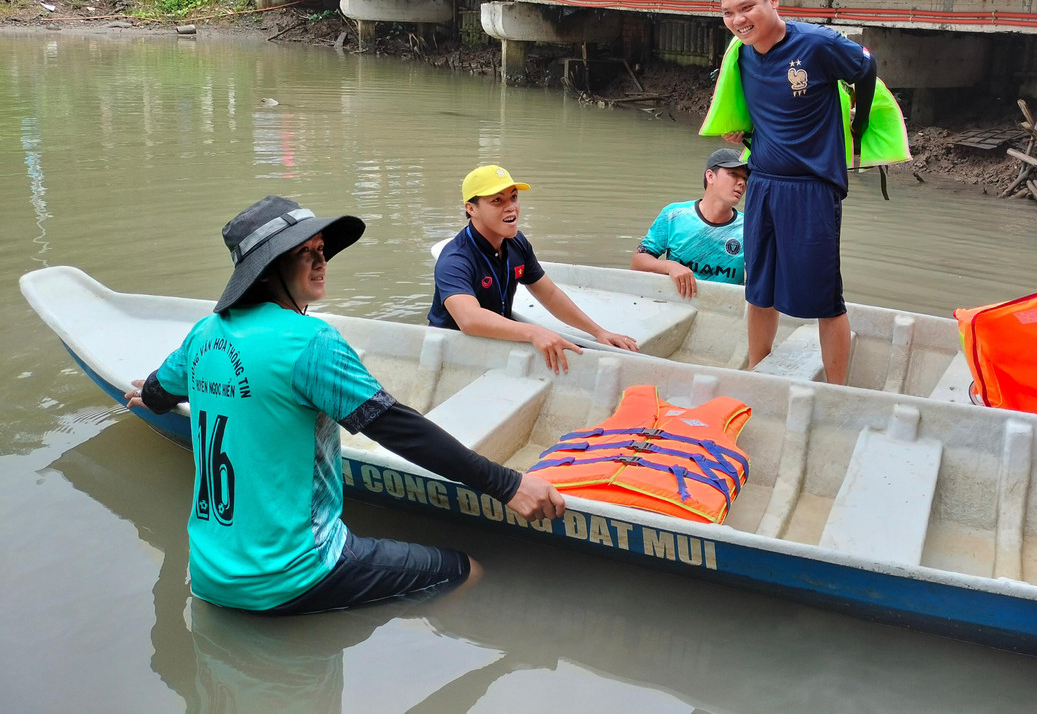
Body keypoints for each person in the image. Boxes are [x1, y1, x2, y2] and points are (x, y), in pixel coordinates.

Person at [124, 195, 564, 614]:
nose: (320, 261)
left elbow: (160, 394)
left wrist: (146, 397)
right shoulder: (309, 342)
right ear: (266, 270)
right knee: (467, 570)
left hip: (207, 576)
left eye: (321, 250)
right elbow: (397, 428)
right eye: (303, 253)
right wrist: (508, 486)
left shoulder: (203, 334)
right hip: (295, 576)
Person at [701, 0, 905, 385]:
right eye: (728, 13)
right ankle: (759, 371)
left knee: (826, 300)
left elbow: (867, 67)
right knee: (758, 290)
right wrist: (743, 129)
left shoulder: (816, 44)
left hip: (812, 188)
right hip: (762, 183)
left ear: (772, 0)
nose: (738, 20)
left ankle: (837, 389)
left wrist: (859, 120)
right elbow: (758, 108)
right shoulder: (741, 54)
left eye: (747, 7)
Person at [429, 166, 640, 372]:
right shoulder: (455, 260)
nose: (511, 206)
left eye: (513, 197)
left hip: (498, 340)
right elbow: (470, 320)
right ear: (471, 208)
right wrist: (534, 332)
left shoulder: (516, 243)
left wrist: (598, 332)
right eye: (497, 200)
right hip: (452, 352)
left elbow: (549, 294)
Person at [631, 147, 749, 296]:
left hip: (725, 310)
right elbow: (638, 261)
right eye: (734, 174)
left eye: (745, 178)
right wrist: (670, 266)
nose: (741, 183)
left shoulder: (749, 227)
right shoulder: (674, 215)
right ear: (710, 176)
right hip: (677, 303)